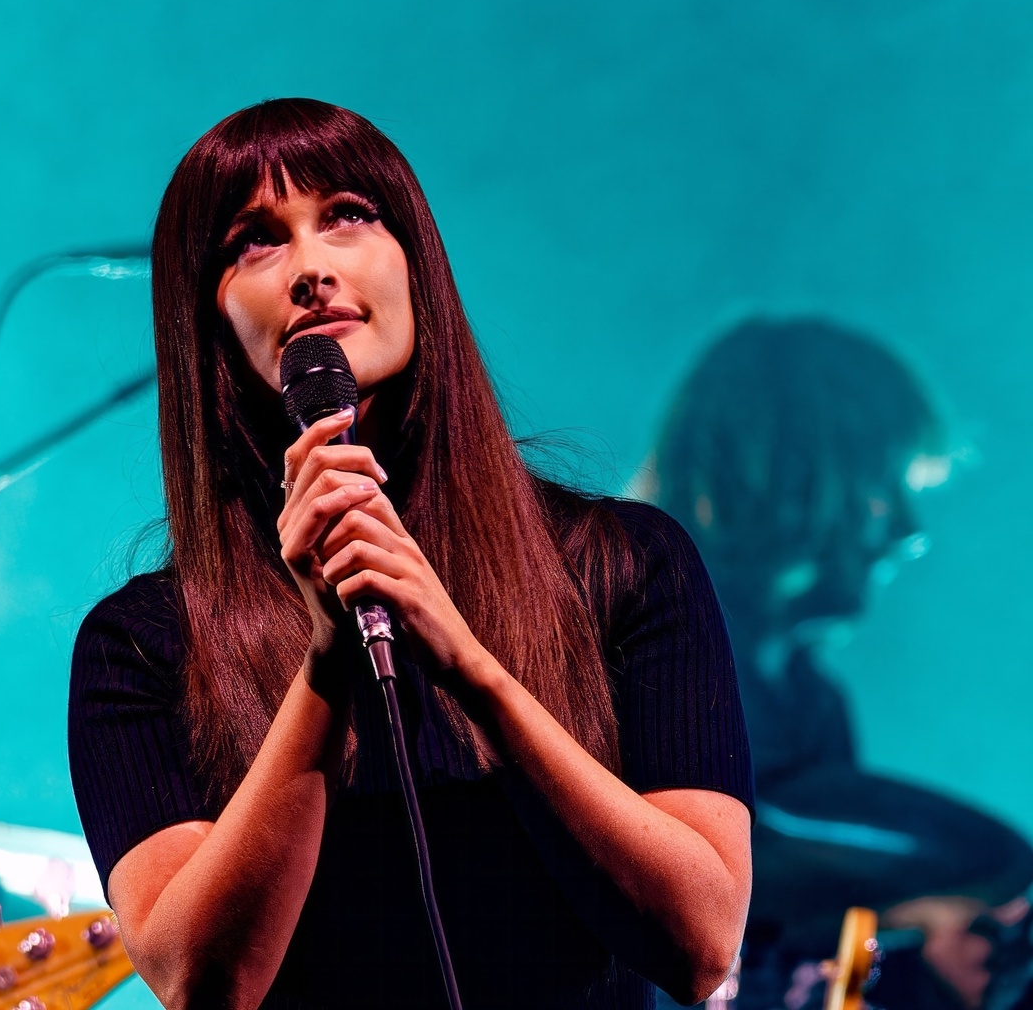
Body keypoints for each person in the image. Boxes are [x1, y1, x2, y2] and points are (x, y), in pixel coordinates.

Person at [67, 98, 754, 1010]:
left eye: (348, 215)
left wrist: (472, 666)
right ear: (211, 322)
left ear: (416, 261)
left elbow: (701, 944)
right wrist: (325, 663)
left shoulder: (625, 564)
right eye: (255, 241)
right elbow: (202, 981)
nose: (312, 267)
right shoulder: (145, 645)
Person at [647, 317, 1033, 1009]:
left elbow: (834, 964)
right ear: (792, 475)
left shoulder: (812, 700)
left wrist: (925, 977)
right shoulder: (644, 639)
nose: (907, 530)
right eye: (886, 484)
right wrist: (979, 874)